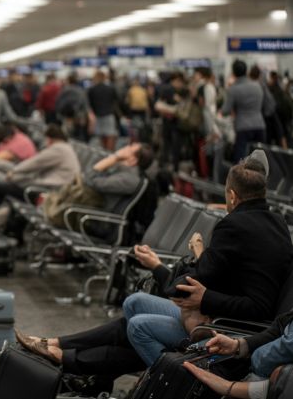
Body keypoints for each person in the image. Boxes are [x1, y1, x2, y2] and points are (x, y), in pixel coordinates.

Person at [123, 156, 293, 367]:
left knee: (137, 327)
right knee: (135, 301)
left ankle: (172, 381)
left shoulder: (232, 226)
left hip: (229, 327)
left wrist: (205, 298)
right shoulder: (279, 223)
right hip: (225, 316)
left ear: (232, 196)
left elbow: (259, 306)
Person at [184, 312, 293, 399]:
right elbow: (281, 325)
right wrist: (239, 345)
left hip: (268, 383)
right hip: (259, 371)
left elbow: (282, 383)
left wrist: (229, 387)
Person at [0, 124, 79, 217]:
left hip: (48, 193)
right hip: (52, 190)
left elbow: (33, 163)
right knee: (5, 185)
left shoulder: (58, 150)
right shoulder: (65, 148)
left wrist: (12, 172)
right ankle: (2, 224)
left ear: (49, 138)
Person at [222, 60, 266, 163]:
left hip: (243, 127)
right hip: (259, 125)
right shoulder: (257, 86)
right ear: (246, 71)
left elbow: (225, 111)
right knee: (260, 160)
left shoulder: (233, 89)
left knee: (240, 160)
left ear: (233, 73)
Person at [88, 71, 120, 151]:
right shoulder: (110, 89)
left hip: (98, 115)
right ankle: (110, 154)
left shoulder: (92, 90)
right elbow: (116, 102)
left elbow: (90, 104)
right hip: (109, 114)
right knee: (110, 135)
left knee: (101, 136)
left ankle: (104, 153)